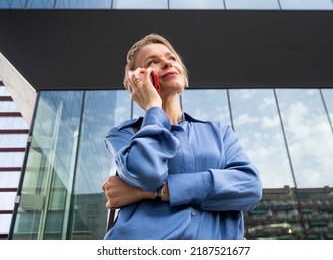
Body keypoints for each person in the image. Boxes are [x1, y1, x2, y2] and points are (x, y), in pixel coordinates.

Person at [102, 33, 262, 240]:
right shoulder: (124, 134)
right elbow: (147, 173)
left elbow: (249, 187)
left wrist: (153, 193)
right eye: (153, 62)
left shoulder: (219, 132)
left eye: (172, 58)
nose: (167, 64)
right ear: (137, 79)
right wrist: (153, 107)